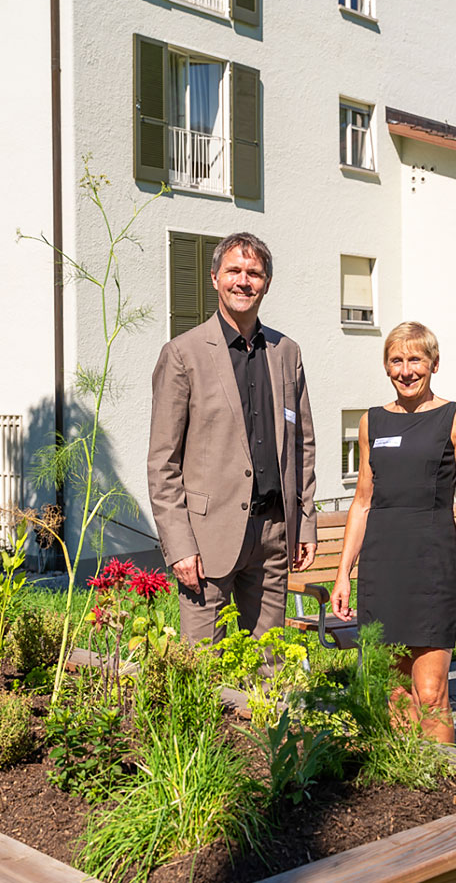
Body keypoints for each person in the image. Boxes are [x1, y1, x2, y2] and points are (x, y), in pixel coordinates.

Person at [147, 232, 317, 645]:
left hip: (274, 534)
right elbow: (163, 463)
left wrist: (305, 523)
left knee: (270, 662)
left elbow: (302, 447)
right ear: (215, 278)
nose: (243, 281)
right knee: (203, 663)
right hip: (207, 539)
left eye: (253, 273)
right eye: (234, 271)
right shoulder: (183, 354)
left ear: (267, 283)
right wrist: (179, 545)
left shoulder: (286, 352)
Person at [329, 321, 456, 743]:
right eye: (396, 361)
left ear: (434, 363)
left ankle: (444, 777)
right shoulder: (372, 422)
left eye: (415, 359)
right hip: (382, 570)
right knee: (395, 691)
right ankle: (407, 774)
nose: (406, 370)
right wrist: (343, 573)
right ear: (386, 367)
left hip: (431, 567)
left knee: (431, 693)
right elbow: (362, 501)